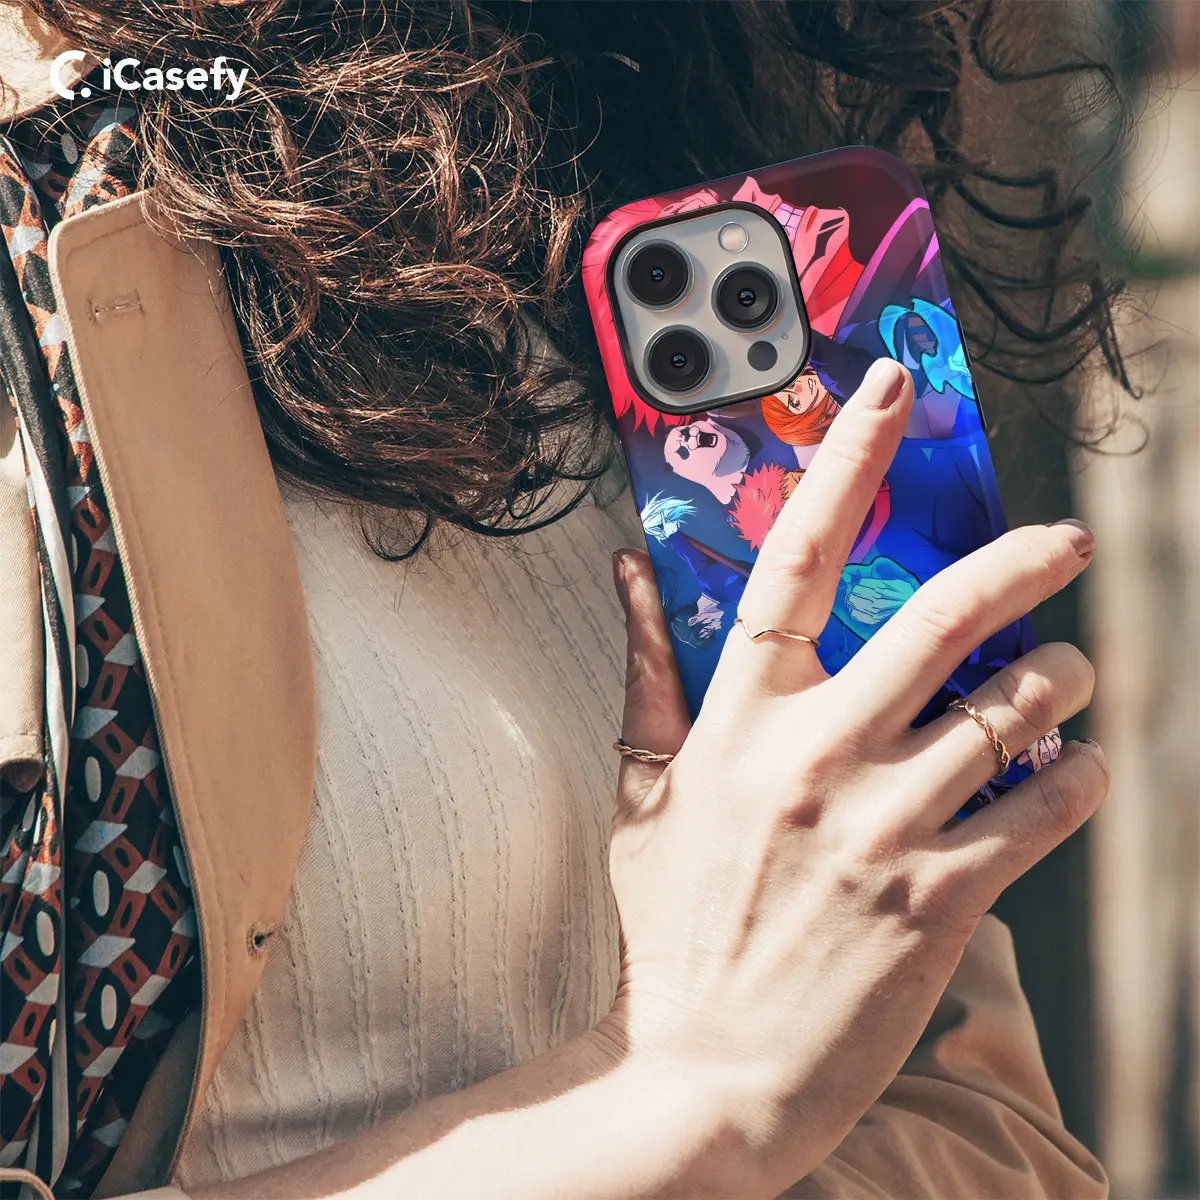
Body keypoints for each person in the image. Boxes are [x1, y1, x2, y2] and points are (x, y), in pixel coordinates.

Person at [0, 3, 1128, 1197]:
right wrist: (686, 1089)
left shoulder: (606, 167)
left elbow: (991, 1139)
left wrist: (741, 1092)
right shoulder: (47, 257)